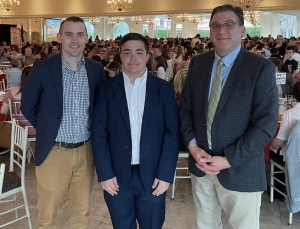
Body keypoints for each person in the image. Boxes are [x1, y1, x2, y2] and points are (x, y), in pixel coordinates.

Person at [180, 4, 278, 229]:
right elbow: (185, 109)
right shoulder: (198, 64)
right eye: (215, 25)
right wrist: (193, 147)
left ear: (242, 31)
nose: (221, 30)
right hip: (201, 167)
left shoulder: (260, 68)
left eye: (228, 24)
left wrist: (228, 159)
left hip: (240, 169)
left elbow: (265, 125)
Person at [21, 16, 105, 229]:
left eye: (80, 34)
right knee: (47, 216)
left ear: (87, 38)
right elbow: (27, 106)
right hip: (54, 153)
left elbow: (99, 108)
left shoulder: (96, 70)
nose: (74, 39)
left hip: (85, 152)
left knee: (82, 213)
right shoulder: (42, 69)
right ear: (59, 37)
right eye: (69, 34)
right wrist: (48, 130)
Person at [91, 32, 179, 229]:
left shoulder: (163, 89)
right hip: (116, 176)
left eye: (139, 52)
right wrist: (105, 173)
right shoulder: (106, 89)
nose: (133, 58)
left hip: (153, 175)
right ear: (120, 56)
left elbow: (171, 134)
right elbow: (99, 134)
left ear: (147, 56)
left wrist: (166, 174)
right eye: (127, 52)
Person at [1, 66, 36, 136]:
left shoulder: (11, 92)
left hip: (17, 127)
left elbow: (3, 111)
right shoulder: (41, 92)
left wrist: (13, 110)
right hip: (36, 127)